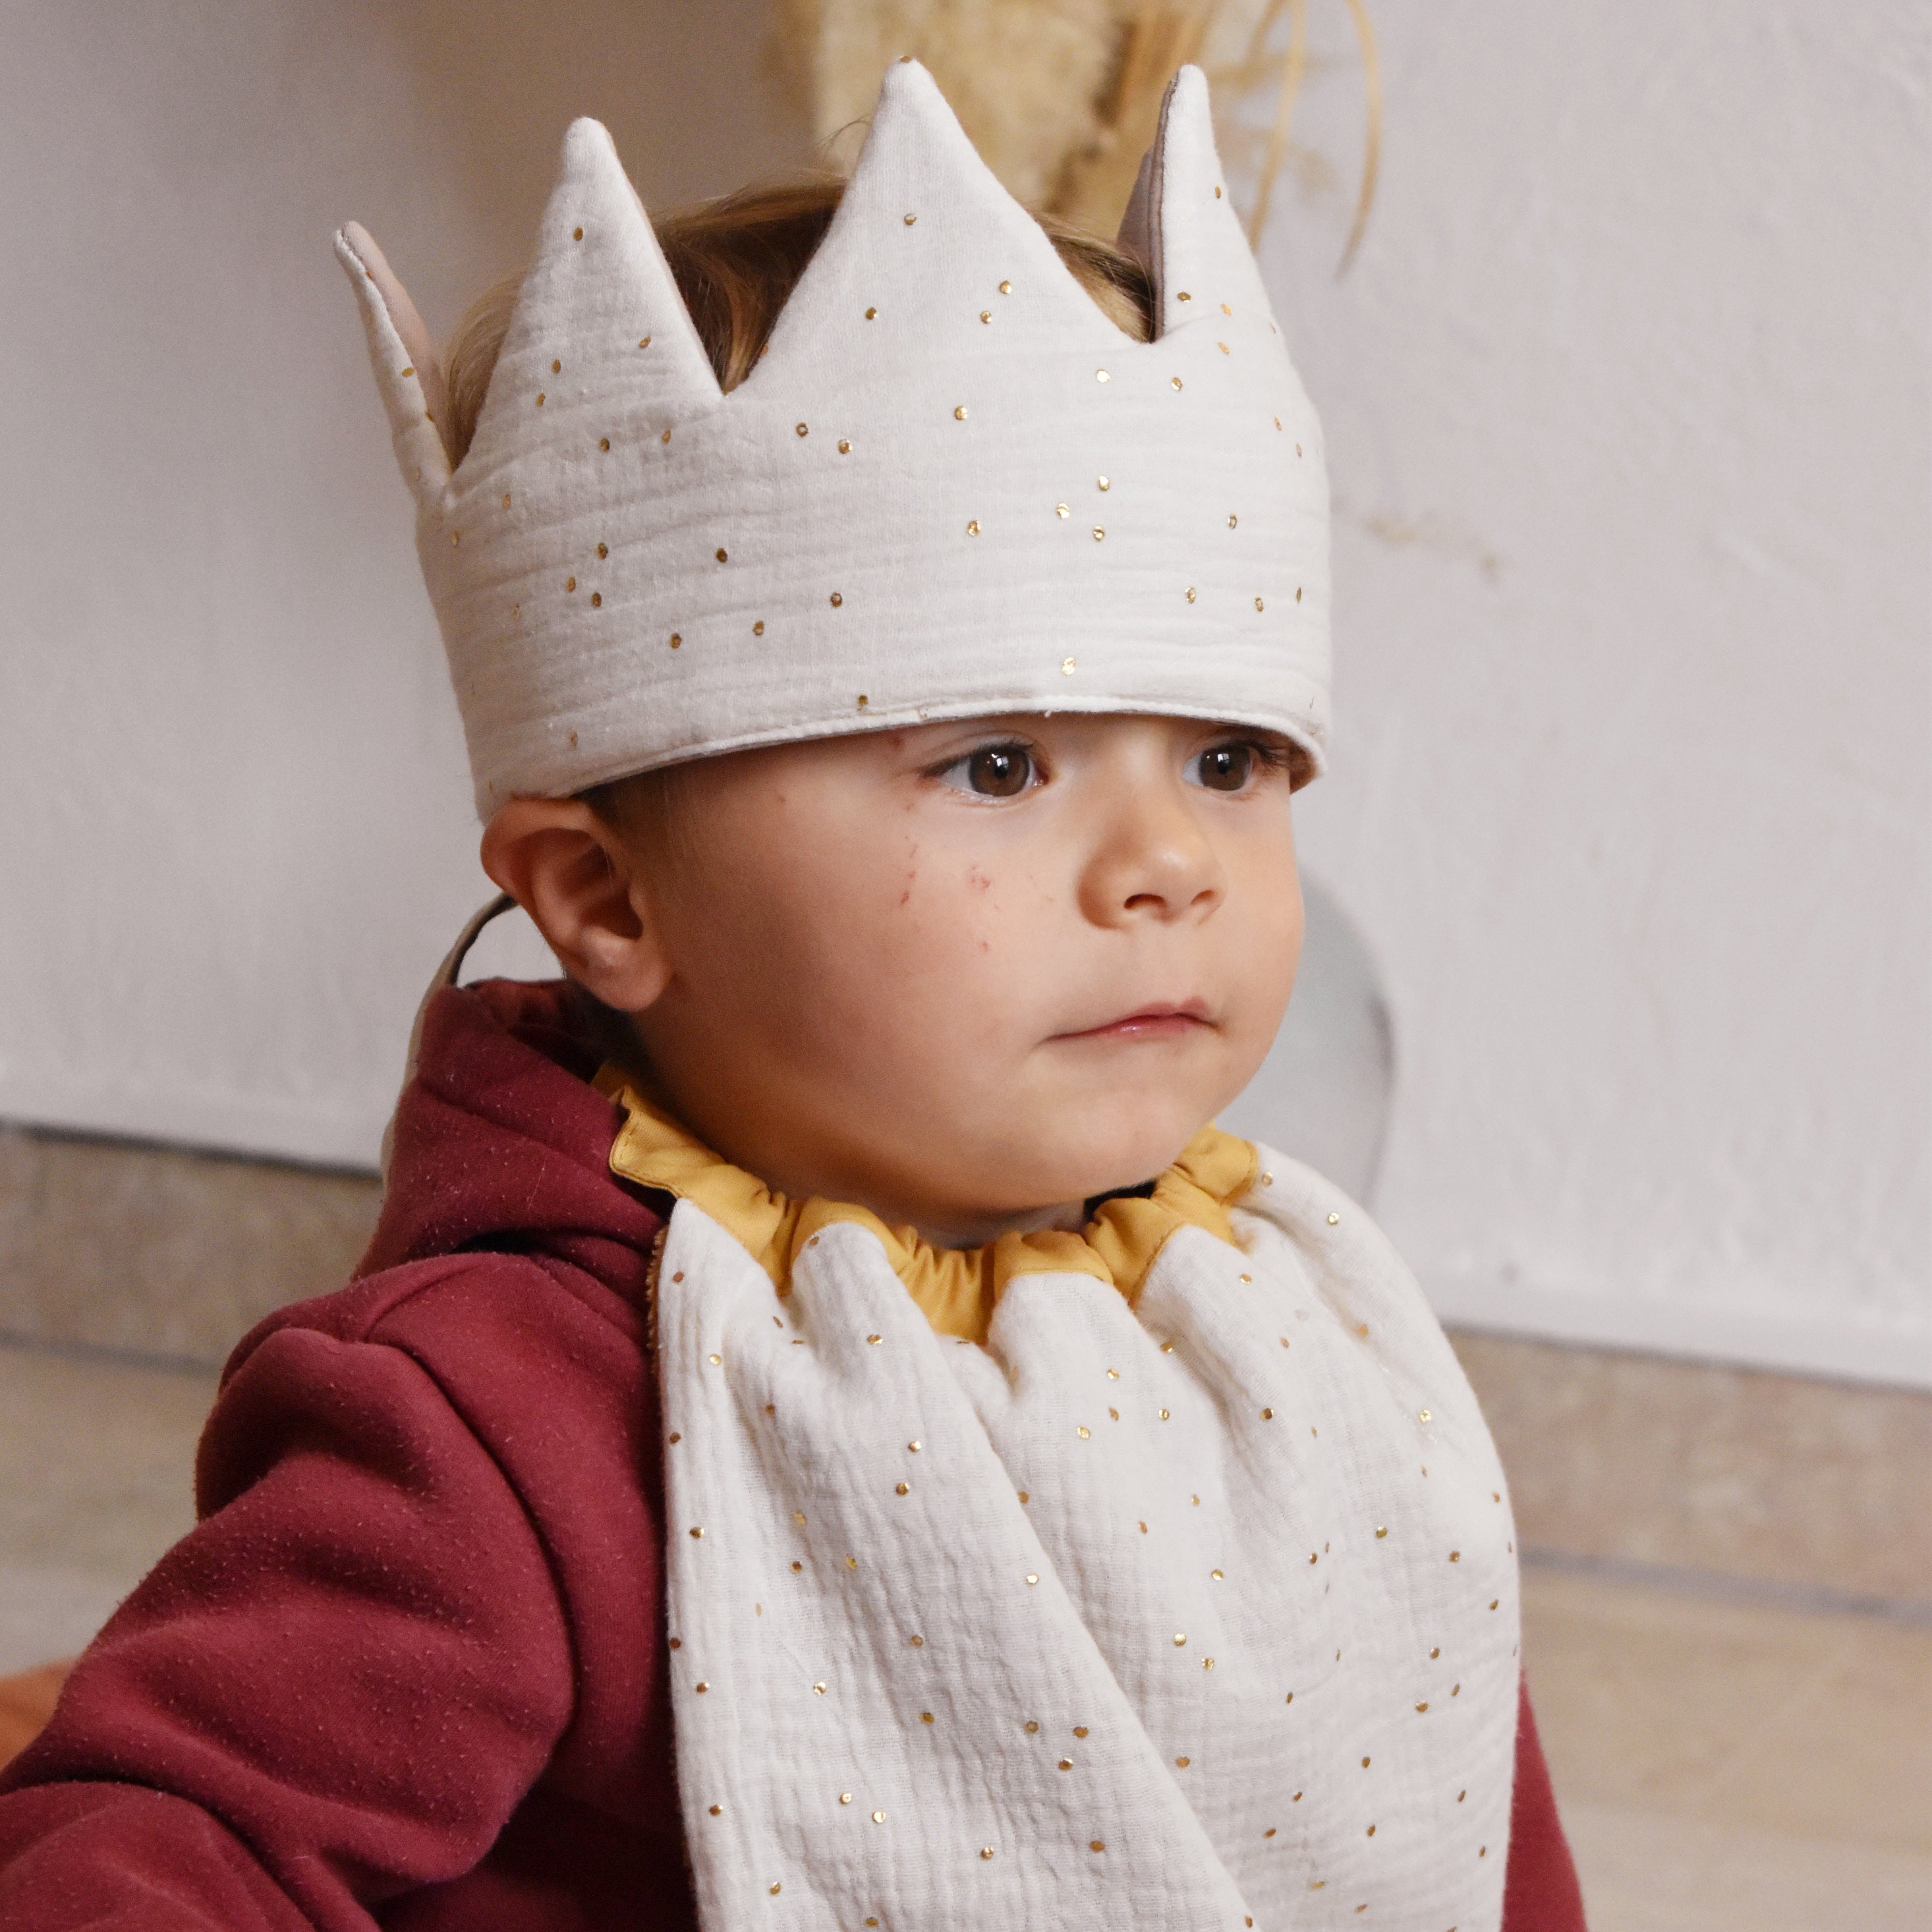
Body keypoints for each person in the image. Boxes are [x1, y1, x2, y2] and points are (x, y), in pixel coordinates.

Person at [0, 58, 1586, 1931]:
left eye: (1229, 759)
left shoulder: (1287, 1325)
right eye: (998, 765)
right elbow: (155, 1839)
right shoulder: (507, 1416)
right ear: (607, 900)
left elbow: (1448, 1793)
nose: (1170, 860)